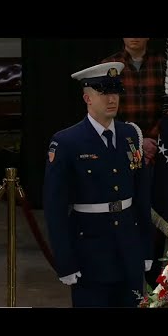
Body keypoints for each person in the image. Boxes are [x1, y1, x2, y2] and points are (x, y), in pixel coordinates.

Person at [43, 61, 154, 307]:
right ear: (87, 98)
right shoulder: (67, 142)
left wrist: (147, 248)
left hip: (128, 248)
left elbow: (142, 198)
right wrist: (65, 262)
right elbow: (55, 209)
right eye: (103, 92)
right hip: (90, 252)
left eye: (115, 92)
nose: (111, 98)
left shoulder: (130, 135)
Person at [102, 38, 166, 289]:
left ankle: (154, 281)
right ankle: (124, 277)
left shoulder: (165, 64)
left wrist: (153, 139)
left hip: (158, 152)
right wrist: (136, 142)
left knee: (156, 219)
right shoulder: (109, 66)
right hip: (120, 153)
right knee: (123, 215)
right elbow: (103, 112)